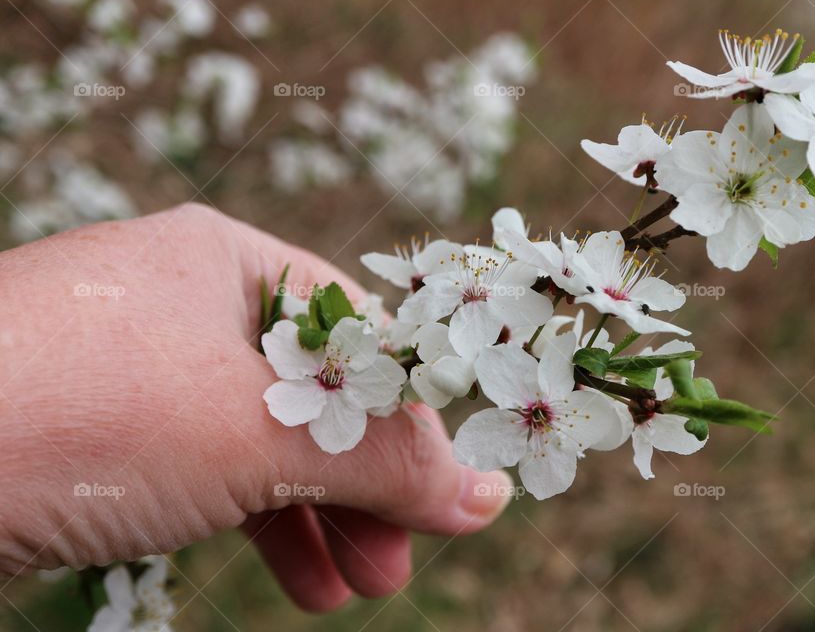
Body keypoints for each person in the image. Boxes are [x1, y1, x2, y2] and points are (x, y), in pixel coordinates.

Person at [0, 203, 513, 611]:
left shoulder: (369, 368)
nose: (332, 373)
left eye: (335, 370)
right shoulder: (327, 360)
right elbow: (306, 353)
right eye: (331, 368)